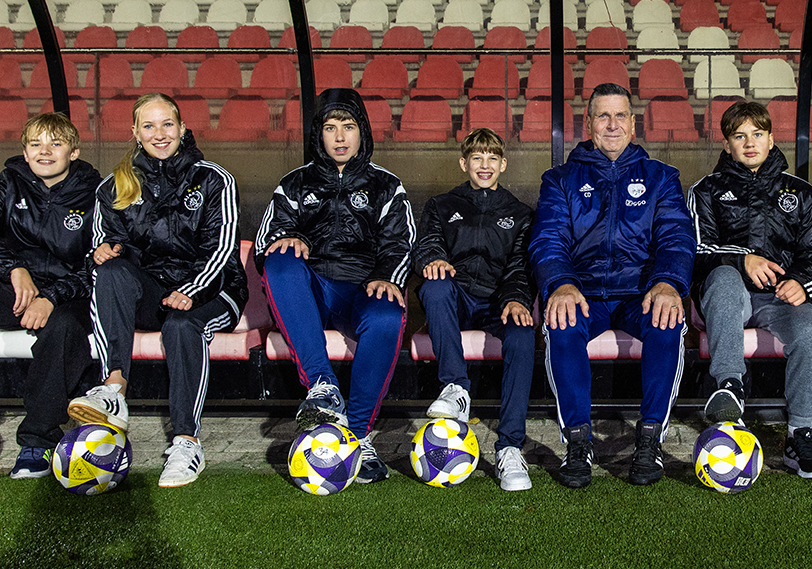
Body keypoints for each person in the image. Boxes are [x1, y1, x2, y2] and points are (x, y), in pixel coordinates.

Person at [69, 93, 246, 487]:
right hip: (153, 289)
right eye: (148, 126)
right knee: (109, 272)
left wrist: (192, 290)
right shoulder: (114, 185)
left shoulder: (213, 178)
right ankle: (114, 388)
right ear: (134, 132)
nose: (159, 134)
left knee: (182, 326)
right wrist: (105, 250)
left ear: (182, 128)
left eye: (167, 124)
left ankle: (186, 443)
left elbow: (221, 248)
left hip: (215, 287)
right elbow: (104, 240)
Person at [529, 82, 695, 489]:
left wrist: (669, 282)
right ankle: (578, 440)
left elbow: (676, 237)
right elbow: (548, 239)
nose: (612, 124)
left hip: (641, 292)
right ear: (588, 124)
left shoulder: (661, 177)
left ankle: (650, 436)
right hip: (584, 294)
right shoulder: (561, 179)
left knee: (668, 321)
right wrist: (562, 283)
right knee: (561, 323)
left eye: (620, 115)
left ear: (634, 125)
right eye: (603, 116)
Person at [255, 88, 412, 484]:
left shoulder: (386, 186)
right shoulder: (293, 184)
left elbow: (401, 244)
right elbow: (264, 240)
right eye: (330, 128)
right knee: (280, 258)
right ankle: (323, 387)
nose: (340, 137)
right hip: (309, 289)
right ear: (318, 135)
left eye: (348, 127)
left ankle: (358, 435)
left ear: (363, 133)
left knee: (388, 315)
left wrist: (386, 277)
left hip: (360, 289)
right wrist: (291, 237)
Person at [687, 100, 812, 479]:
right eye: (739, 136)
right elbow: (696, 251)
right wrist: (743, 259)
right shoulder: (705, 191)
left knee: (810, 335)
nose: (749, 143)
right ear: (726, 145)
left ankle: (800, 435)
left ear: (771, 139)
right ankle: (730, 388)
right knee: (723, 277)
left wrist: (801, 284)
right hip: (723, 299)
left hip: (780, 299)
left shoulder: (801, 193)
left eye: (757, 134)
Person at [416, 128, 536, 492]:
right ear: (463, 163)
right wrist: (434, 259)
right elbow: (426, 246)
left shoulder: (520, 214)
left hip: (497, 301)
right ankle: (455, 386)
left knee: (522, 333)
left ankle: (511, 447)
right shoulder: (441, 205)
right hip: (455, 295)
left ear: (503, 164)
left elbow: (520, 267)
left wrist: (516, 297)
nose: (484, 165)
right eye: (477, 158)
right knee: (434, 286)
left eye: (492, 158)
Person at [3, 113, 100, 479]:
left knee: (62, 328)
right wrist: (15, 269)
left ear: (73, 152)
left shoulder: (96, 192)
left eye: (56, 144)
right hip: (15, 287)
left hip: (71, 291)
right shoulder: (7, 184)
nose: (45, 152)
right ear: (24, 153)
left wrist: (52, 297)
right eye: (35, 144)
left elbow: (98, 262)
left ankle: (37, 442)